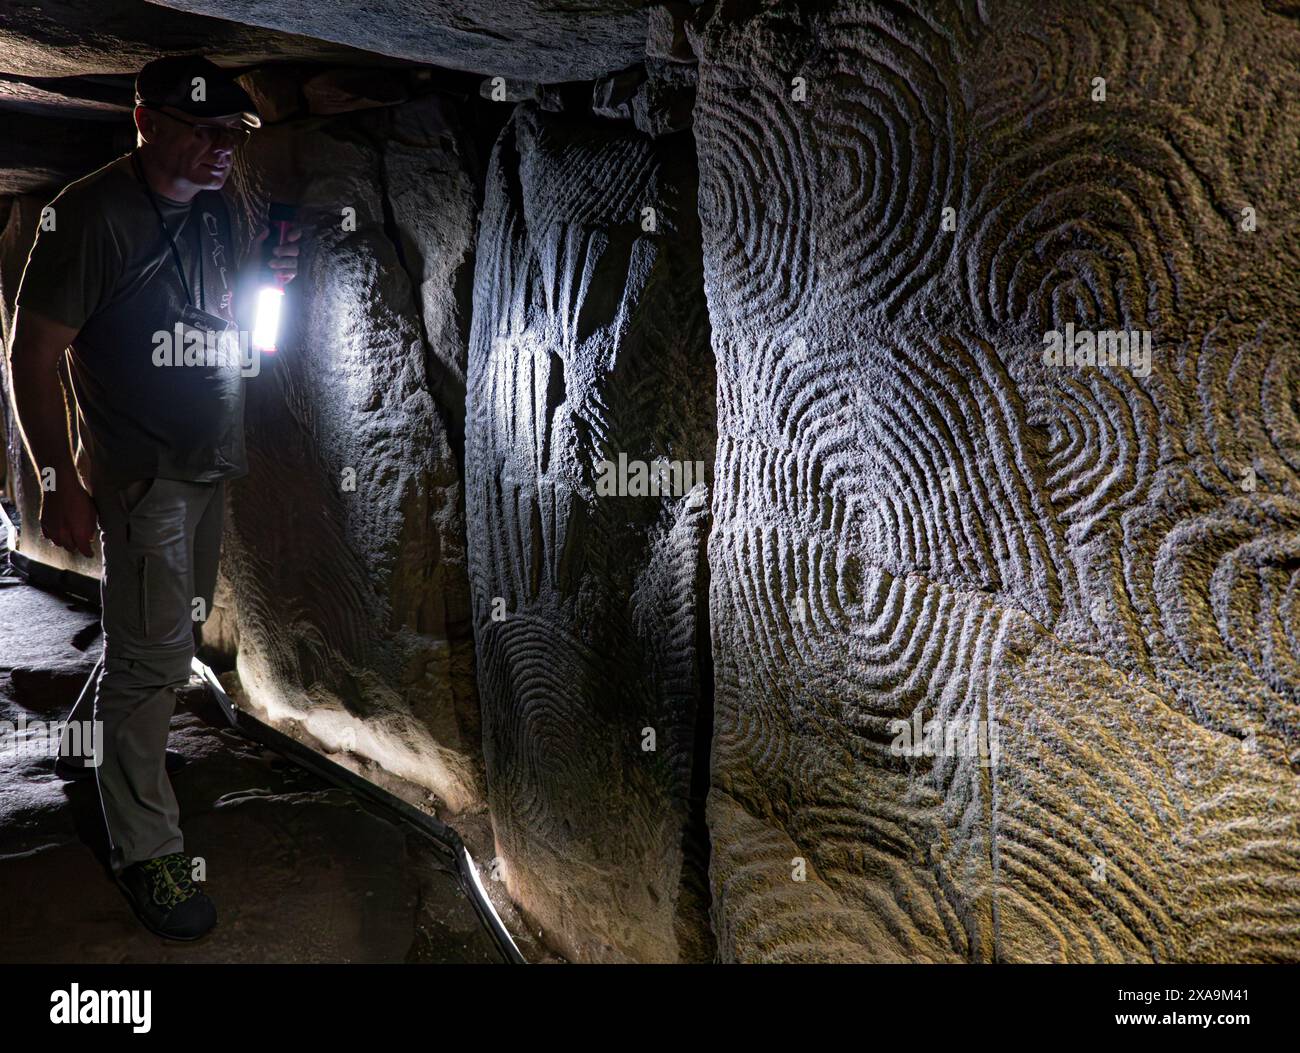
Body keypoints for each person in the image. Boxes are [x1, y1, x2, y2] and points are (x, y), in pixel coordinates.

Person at [5, 55, 301, 941]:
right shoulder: (91, 216)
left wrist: (269, 286)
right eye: (203, 130)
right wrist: (58, 481)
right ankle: (147, 847)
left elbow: (218, 318)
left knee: (155, 639)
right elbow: (32, 356)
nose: (221, 150)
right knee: (154, 660)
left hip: (208, 460)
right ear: (144, 121)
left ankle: (92, 745)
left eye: (232, 136)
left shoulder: (210, 212)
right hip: (143, 473)